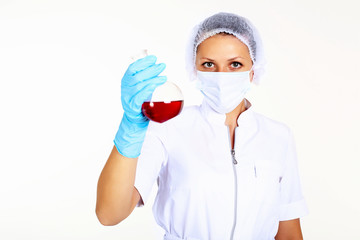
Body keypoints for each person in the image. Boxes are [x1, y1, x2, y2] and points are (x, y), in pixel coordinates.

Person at [96, 12, 309, 240]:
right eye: (209, 64)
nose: (221, 76)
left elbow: (288, 233)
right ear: (195, 69)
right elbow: (110, 214)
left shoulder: (278, 136)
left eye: (235, 64)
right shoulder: (168, 127)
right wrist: (130, 128)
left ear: (253, 70)